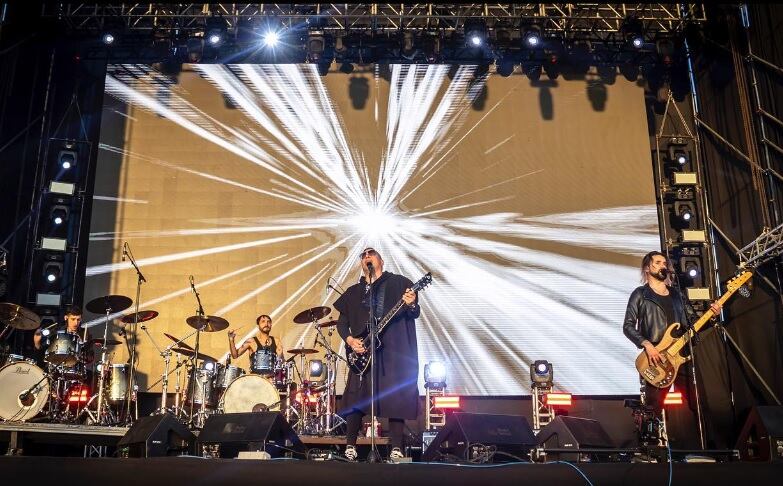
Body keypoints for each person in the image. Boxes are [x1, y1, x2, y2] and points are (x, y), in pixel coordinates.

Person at [623, 251, 721, 448]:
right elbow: (628, 326)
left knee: (697, 403)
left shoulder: (677, 294)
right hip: (657, 359)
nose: (663, 266)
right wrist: (647, 345)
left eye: (664, 263)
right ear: (647, 268)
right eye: (658, 262)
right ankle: (648, 449)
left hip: (682, 355)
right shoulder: (640, 294)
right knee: (653, 407)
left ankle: (703, 447)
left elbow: (693, 324)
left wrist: (712, 315)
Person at [334, 247, 420, 462]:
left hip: (392, 353)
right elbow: (342, 322)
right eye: (363, 255)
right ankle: (350, 446)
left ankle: (396, 448)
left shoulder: (399, 283)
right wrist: (351, 340)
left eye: (371, 254)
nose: (366, 257)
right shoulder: (354, 292)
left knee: (396, 395)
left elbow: (414, 312)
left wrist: (412, 303)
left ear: (381, 260)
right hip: (363, 353)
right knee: (356, 397)